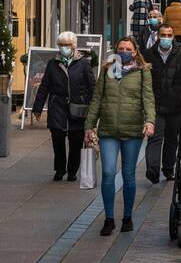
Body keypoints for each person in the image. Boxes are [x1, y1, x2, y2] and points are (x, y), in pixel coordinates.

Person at [83, 36, 155, 236]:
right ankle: (108, 218)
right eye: (121, 48)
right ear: (116, 50)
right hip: (108, 130)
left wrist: (150, 121)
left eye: (128, 48)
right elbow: (97, 98)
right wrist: (89, 125)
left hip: (132, 130)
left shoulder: (143, 72)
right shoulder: (107, 70)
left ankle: (127, 217)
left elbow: (148, 98)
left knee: (128, 175)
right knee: (107, 173)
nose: (124, 51)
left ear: (135, 51)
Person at [31, 31, 97, 182]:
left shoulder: (83, 63)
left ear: (73, 46)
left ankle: (72, 171)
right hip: (57, 105)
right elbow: (44, 86)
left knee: (76, 141)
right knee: (57, 138)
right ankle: (60, 169)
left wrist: (94, 108)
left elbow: (92, 86)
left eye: (66, 45)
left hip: (78, 107)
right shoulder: (53, 64)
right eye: (61, 45)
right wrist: (37, 107)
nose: (63, 48)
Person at [142, 24, 181, 184]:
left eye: (169, 35)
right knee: (155, 137)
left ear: (173, 36)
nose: (166, 38)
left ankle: (168, 168)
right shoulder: (148, 54)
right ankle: (152, 169)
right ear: (158, 36)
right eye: (163, 35)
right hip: (155, 104)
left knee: (172, 139)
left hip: (176, 105)